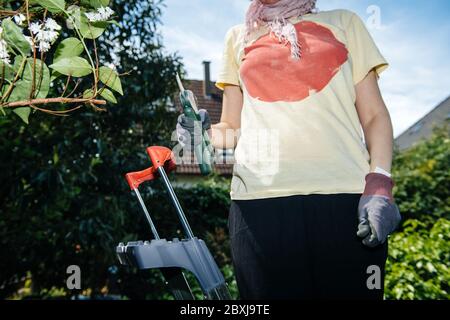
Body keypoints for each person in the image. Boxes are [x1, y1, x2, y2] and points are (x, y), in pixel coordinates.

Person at [177, 0, 401, 300]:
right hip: (257, 205)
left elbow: (374, 115)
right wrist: (202, 134)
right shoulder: (238, 37)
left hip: (345, 200)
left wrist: (380, 183)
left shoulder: (346, 23)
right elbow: (232, 127)